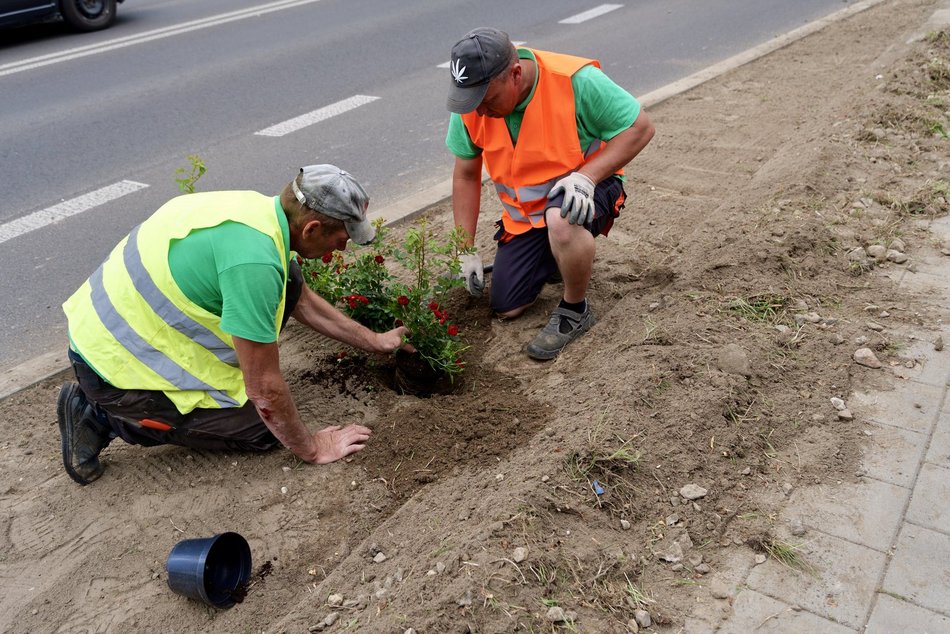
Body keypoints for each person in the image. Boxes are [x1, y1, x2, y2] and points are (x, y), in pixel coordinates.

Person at [57, 164, 408, 485]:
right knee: (265, 430)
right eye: (342, 236)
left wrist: (375, 340)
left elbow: (300, 300)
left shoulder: (255, 213)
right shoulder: (254, 264)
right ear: (312, 228)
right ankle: (100, 416)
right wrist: (313, 447)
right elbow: (264, 389)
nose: (344, 246)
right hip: (112, 369)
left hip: (113, 329)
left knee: (290, 280)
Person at [445, 27, 655, 360]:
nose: (479, 111)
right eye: (472, 102)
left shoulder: (575, 82)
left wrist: (587, 178)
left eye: (486, 101)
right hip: (527, 217)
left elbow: (640, 128)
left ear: (515, 74)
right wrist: (464, 248)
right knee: (507, 306)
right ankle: (559, 256)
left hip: (588, 190)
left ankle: (575, 310)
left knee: (561, 220)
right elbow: (467, 174)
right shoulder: (473, 104)